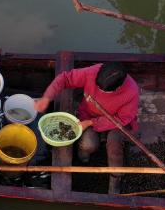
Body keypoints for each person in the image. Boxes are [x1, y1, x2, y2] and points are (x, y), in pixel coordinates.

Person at [34, 62, 139, 194]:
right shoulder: (92, 72)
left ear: (118, 88)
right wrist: (47, 97)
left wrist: (91, 123)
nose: (99, 92)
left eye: (105, 91)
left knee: (114, 148)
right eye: (98, 88)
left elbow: (123, 119)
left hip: (115, 122)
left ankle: (115, 179)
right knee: (89, 145)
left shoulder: (132, 91)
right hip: (89, 114)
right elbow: (65, 78)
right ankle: (83, 158)